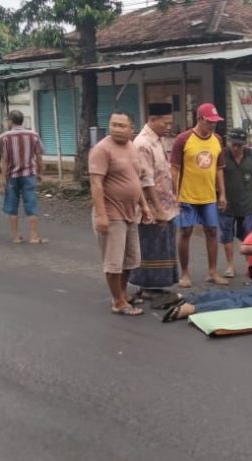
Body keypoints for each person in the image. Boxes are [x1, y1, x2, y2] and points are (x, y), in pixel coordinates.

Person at [161, 199, 252, 322]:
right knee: (246, 300)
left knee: (241, 295)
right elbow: (245, 248)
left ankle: (188, 299)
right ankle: (193, 307)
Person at [90, 111, 153, 317]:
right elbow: (96, 183)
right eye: (113, 124)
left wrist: (144, 205)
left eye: (121, 125)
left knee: (130, 259)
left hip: (130, 212)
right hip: (111, 212)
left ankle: (123, 294)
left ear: (131, 128)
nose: (117, 129)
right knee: (113, 261)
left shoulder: (131, 148)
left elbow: (135, 180)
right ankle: (117, 301)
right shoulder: (101, 150)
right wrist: (101, 215)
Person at [171, 103, 229, 288]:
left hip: (209, 196)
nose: (212, 125)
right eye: (209, 121)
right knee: (185, 232)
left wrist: (222, 194)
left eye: (215, 122)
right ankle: (185, 273)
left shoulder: (217, 140)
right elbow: (174, 169)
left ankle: (212, 272)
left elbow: (219, 169)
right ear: (199, 119)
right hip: (187, 196)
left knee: (212, 231)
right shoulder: (183, 139)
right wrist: (175, 194)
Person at [129, 103, 181, 303]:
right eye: (165, 123)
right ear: (153, 120)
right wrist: (157, 209)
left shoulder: (158, 140)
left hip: (167, 206)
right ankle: (148, 287)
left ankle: (157, 286)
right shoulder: (142, 144)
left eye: (170, 122)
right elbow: (145, 180)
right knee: (151, 247)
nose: (168, 126)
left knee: (163, 246)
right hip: (151, 208)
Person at [0, 110, 46, 244]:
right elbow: (39, 156)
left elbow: (3, 161)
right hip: (29, 174)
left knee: (12, 206)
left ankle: (16, 237)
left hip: (11, 176)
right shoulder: (33, 135)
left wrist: (3, 179)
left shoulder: (4, 137)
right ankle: (34, 237)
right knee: (31, 204)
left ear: (10, 121)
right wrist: (40, 173)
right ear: (22, 121)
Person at [219, 128, 252, 278]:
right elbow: (217, 176)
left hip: (245, 203)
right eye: (234, 144)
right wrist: (221, 195)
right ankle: (230, 266)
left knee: (248, 236)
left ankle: (248, 265)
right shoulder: (222, 155)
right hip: (227, 203)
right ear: (229, 142)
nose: (236, 148)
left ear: (245, 144)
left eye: (240, 145)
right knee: (227, 235)